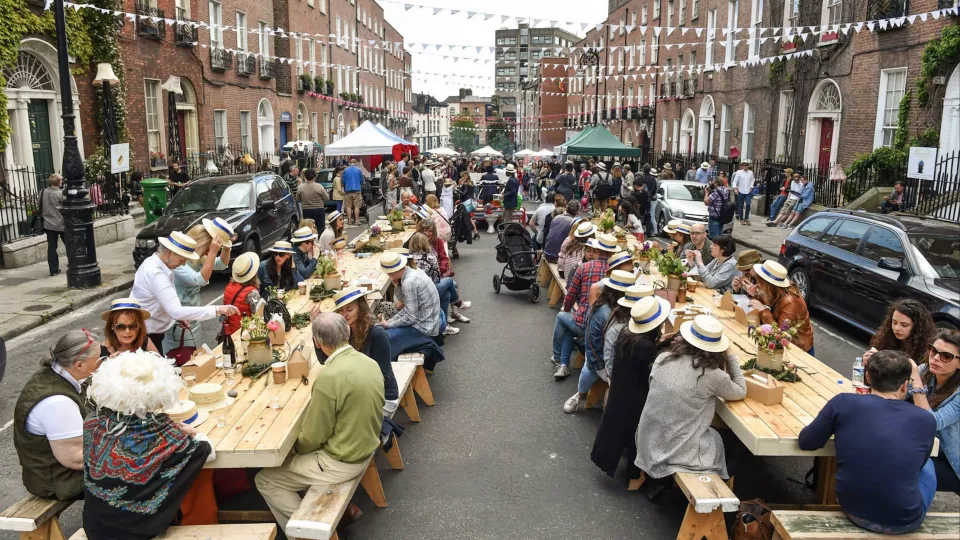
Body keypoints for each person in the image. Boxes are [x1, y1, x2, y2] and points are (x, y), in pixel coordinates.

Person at [254, 313, 383, 534]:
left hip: (342, 461)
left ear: (317, 342)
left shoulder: (329, 378)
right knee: (294, 460)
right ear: (348, 332)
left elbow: (313, 438)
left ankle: (305, 534)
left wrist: (292, 450)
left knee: (266, 478)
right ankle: (328, 516)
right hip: (367, 445)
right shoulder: (369, 363)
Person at [798, 350, 937, 534]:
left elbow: (807, 441)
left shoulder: (843, 402)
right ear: (905, 385)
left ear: (867, 377)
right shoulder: (925, 419)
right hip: (905, 520)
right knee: (928, 467)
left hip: (852, 508)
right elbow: (918, 463)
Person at [83, 350, 214, 539]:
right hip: (139, 532)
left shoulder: (92, 423)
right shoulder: (162, 430)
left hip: (96, 528)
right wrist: (197, 433)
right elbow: (205, 452)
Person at [634, 315, 746, 482]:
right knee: (733, 442)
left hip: (646, 439)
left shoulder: (663, 358)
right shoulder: (713, 375)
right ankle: (720, 487)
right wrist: (730, 355)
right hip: (677, 452)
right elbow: (741, 390)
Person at [14, 330, 101, 500]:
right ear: (79, 365)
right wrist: (125, 459)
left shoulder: (57, 372)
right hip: (58, 481)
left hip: (55, 472)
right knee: (147, 474)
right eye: (98, 360)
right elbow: (75, 459)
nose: (100, 364)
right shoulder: (58, 403)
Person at [591, 296, 671, 481]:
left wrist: (660, 343)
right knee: (637, 430)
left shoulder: (626, 336)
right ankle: (637, 473)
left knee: (619, 429)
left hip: (621, 392)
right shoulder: (645, 346)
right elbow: (652, 375)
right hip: (635, 399)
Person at [132, 231, 239, 353]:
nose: (183, 264)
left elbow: (162, 301)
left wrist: (177, 317)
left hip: (148, 331)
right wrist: (217, 309)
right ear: (169, 254)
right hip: (146, 334)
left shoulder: (154, 263)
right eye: (182, 259)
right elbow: (176, 311)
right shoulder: (157, 274)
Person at [314, 288, 400, 415]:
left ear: (361, 308)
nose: (345, 315)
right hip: (359, 390)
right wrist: (317, 328)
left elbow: (383, 377)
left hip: (383, 396)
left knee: (332, 412)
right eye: (340, 311)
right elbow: (324, 360)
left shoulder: (376, 334)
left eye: (349, 309)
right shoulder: (344, 331)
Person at [563, 270, 636, 413]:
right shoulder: (608, 313)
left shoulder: (607, 303)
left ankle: (583, 394)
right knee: (590, 371)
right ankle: (581, 395)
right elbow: (606, 350)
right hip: (600, 359)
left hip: (601, 355)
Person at [552, 233, 618, 379]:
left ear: (598, 250)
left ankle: (558, 359)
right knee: (569, 324)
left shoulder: (584, 267)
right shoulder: (617, 272)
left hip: (587, 323)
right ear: (613, 252)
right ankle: (563, 365)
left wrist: (567, 308)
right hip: (611, 325)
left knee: (562, 318)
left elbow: (570, 296)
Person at [163, 218, 235, 352]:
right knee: (183, 357)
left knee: (195, 353)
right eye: (207, 250)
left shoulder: (197, 258)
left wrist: (227, 248)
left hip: (193, 316)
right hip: (179, 319)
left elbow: (222, 264)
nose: (208, 254)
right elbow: (199, 279)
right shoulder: (178, 263)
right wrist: (213, 252)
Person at [910, 329, 960, 493]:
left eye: (946, 356)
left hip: (949, 462)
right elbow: (896, 396)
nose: (936, 358)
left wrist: (916, 384)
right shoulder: (925, 370)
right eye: (933, 351)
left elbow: (931, 423)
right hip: (926, 448)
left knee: (902, 468)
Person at [376, 252, 444, 363]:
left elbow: (410, 317)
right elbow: (408, 309)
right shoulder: (414, 271)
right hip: (429, 321)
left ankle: (389, 374)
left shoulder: (409, 282)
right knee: (382, 332)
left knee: (382, 340)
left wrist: (388, 325)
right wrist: (390, 321)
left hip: (424, 328)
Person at [749, 261, 815, 355]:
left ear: (767, 284)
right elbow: (769, 300)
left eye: (760, 281)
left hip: (799, 349)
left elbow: (778, 333)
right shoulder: (777, 290)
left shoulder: (790, 302)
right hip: (786, 346)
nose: (757, 284)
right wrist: (755, 295)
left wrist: (763, 310)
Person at [408, 232, 470, 328]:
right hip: (428, 291)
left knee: (447, 293)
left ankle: (445, 323)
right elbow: (436, 277)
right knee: (449, 282)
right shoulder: (430, 257)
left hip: (413, 292)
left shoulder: (409, 258)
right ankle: (456, 305)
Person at [863, 298, 936, 365]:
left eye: (904, 325)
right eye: (894, 322)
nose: (897, 328)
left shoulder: (926, 351)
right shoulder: (885, 339)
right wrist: (868, 362)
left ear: (917, 327)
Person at [223, 252, 262, 336]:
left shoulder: (230, 286)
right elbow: (257, 317)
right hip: (245, 332)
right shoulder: (252, 293)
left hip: (230, 330)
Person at [40, 174, 66, 277]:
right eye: (61, 180)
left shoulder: (42, 192)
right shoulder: (61, 194)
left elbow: (39, 205)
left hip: (48, 224)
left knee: (51, 247)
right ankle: (73, 263)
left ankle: (53, 269)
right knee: (69, 245)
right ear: (59, 182)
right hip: (62, 223)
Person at [298, 168, 330, 235]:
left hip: (306, 210)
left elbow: (297, 199)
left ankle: (310, 243)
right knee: (320, 229)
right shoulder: (319, 186)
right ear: (315, 176)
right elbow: (327, 198)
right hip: (319, 210)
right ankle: (319, 243)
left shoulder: (300, 187)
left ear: (305, 177)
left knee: (308, 229)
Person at [341, 159, 364, 226]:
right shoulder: (359, 170)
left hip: (348, 190)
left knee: (348, 206)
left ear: (349, 163)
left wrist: (344, 187)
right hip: (357, 190)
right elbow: (362, 180)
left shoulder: (345, 170)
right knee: (357, 206)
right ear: (355, 163)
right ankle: (356, 220)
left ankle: (349, 220)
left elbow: (342, 181)